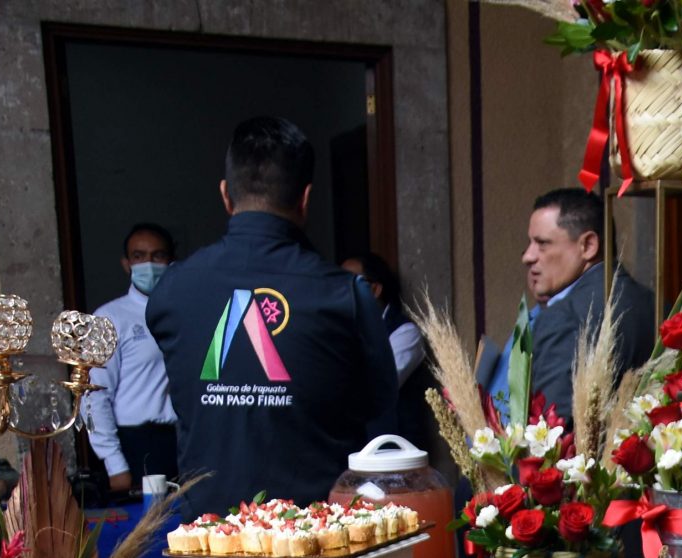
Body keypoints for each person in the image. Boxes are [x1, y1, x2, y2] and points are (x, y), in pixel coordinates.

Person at [146, 116, 397, 515]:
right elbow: (379, 399)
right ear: (306, 198)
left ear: (226, 196)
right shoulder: (343, 295)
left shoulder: (173, 292)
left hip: (211, 542)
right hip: (316, 540)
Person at [523, 188, 655, 419]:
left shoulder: (563, 317)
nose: (528, 256)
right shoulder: (654, 303)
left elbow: (553, 433)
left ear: (588, 245)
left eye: (542, 243)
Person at [85, 222, 180, 494]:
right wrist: (115, 465)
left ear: (171, 261)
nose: (148, 264)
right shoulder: (108, 319)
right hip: (135, 446)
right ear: (127, 264)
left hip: (181, 443)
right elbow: (94, 395)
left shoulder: (186, 314)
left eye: (157, 256)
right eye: (139, 257)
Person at [342, 250, 430, 444]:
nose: (341, 288)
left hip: (394, 448)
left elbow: (379, 383)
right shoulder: (343, 327)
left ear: (375, 289)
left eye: (349, 280)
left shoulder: (406, 332)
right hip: (356, 446)